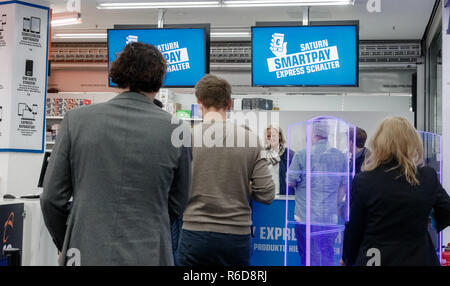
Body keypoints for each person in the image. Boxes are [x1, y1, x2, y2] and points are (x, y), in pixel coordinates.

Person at [41, 42, 192, 266]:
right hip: (150, 253)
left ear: (118, 75)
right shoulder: (178, 130)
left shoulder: (76, 121)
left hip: (86, 252)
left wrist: (67, 243)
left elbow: (52, 198)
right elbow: (178, 204)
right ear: (160, 81)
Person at [176, 74, 275, 266]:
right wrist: (243, 186)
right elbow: (267, 194)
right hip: (236, 235)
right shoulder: (250, 140)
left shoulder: (184, 138)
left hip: (194, 233)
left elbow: (172, 191)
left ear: (199, 102)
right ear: (230, 103)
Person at [341, 117, 450, 266]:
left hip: (375, 258)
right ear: (412, 142)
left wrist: (348, 259)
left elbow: (355, 228)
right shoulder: (427, 176)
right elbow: (446, 211)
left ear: (379, 142)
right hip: (419, 257)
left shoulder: (364, 180)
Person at [288, 118, 347, 266]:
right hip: (329, 218)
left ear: (313, 133)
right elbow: (344, 187)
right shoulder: (340, 156)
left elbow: (290, 181)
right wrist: (335, 204)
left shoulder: (301, 155)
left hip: (305, 218)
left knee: (307, 258)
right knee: (327, 257)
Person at [264, 126, 295, 195]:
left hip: (284, 196)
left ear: (280, 136)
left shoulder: (290, 155)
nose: (271, 138)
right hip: (267, 196)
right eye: (269, 136)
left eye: (274, 135)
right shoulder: (262, 155)